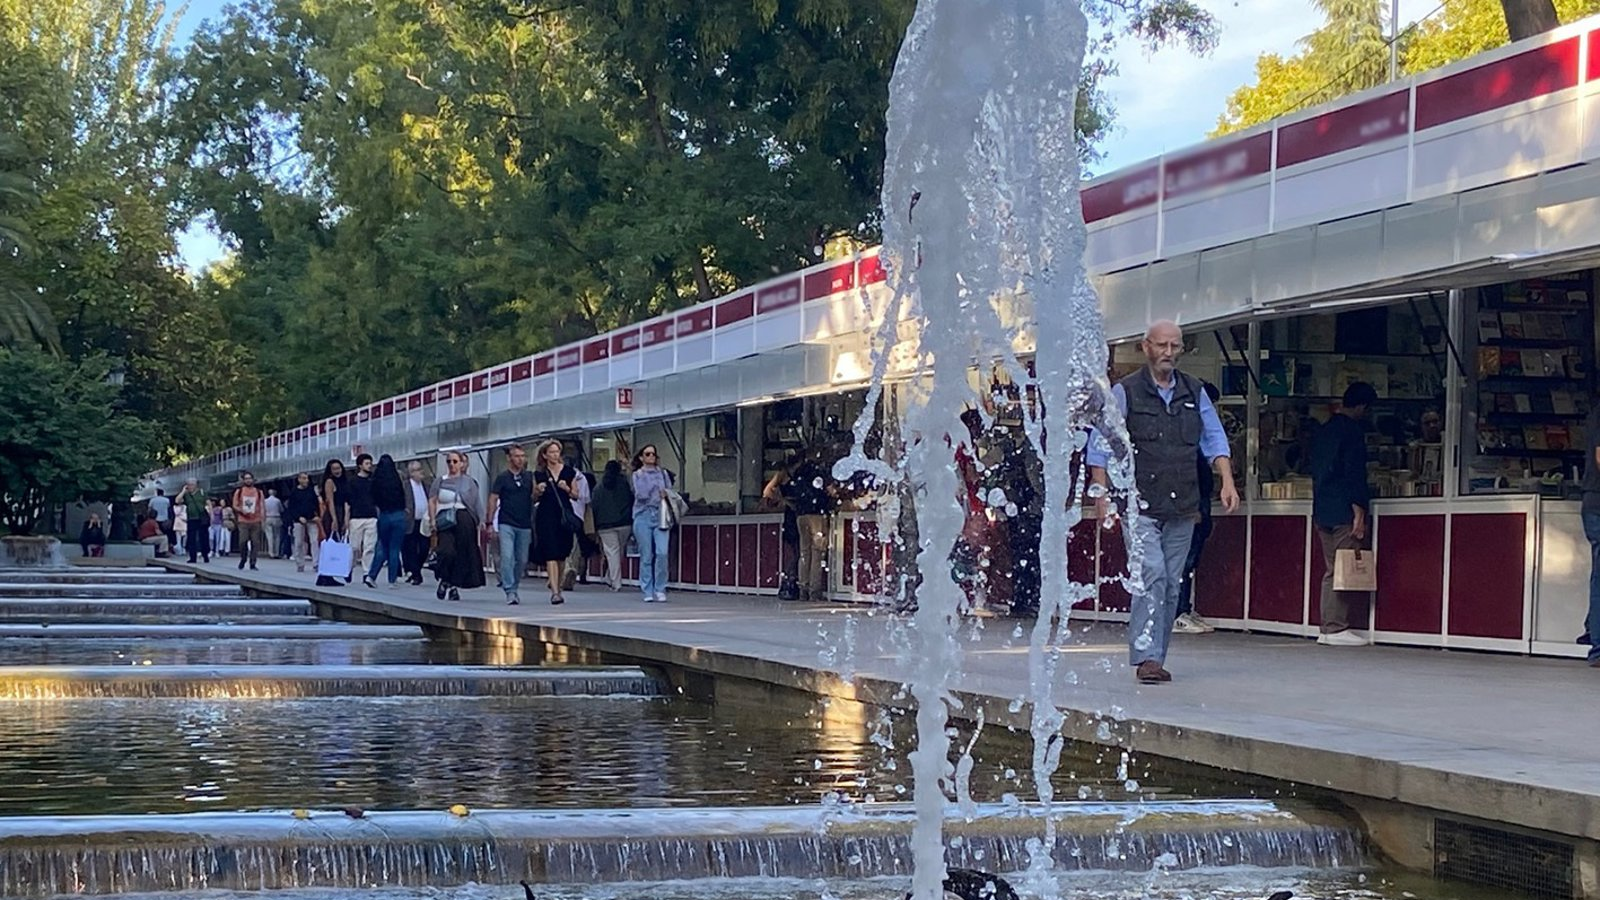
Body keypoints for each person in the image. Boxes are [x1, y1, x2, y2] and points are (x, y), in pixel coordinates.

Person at [1088, 320, 1239, 685]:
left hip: (1183, 503)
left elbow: (1214, 438)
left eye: (1174, 346)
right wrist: (1101, 492)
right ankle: (1146, 657)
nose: (1168, 353)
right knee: (1152, 575)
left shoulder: (1195, 391)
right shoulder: (1125, 391)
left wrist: (1227, 481)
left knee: (1172, 582)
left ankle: (1157, 655)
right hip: (1140, 503)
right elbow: (1100, 442)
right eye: (1161, 346)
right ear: (1146, 347)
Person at [1310, 381, 1377, 647]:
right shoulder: (1352, 433)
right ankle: (1336, 627)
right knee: (1344, 566)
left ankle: (1327, 626)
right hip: (1343, 509)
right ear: (1362, 406)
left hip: (1322, 507)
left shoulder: (1324, 430)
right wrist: (1359, 510)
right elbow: (1353, 473)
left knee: (1331, 569)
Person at [1174, 381, 1223, 635]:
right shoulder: (1188, 440)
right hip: (1191, 504)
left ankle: (1183, 608)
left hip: (1198, 501)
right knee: (1185, 558)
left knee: (1190, 560)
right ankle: (1178, 611)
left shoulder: (1198, 439)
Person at [429, 450, 486, 602]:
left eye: (455, 461)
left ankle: (453, 585)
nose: (452, 465)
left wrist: (481, 520)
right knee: (447, 551)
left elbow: (476, 502)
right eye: (449, 462)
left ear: (462, 463)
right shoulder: (440, 481)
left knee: (462, 553)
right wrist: (432, 520)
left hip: (464, 518)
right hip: (446, 518)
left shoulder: (469, 482)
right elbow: (433, 500)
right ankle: (444, 578)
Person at [531, 439, 581, 605]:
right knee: (551, 552)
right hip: (546, 515)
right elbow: (533, 497)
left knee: (562, 553)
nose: (554, 455)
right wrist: (538, 491)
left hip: (563, 515)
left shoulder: (568, 472)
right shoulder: (539, 474)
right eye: (551, 452)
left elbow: (576, 495)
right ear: (544, 455)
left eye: (556, 452)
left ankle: (558, 585)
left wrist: (566, 488)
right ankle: (555, 592)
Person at [485, 445, 536, 605]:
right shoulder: (502, 478)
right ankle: (510, 590)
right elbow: (493, 499)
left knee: (522, 559)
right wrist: (489, 522)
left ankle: (514, 585)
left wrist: (538, 492)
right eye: (517, 456)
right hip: (506, 521)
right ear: (509, 458)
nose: (521, 459)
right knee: (507, 556)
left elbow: (533, 497)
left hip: (524, 523)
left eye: (523, 456)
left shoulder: (529, 477)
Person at [789, 450, 838, 603]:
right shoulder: (820, 471)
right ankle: (814, 591)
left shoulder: (798, 472)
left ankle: (803, 588)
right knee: (817, 552)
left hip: (801, 515)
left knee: (805, 553)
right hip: (816, 514)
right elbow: (831, 491)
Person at [631, 444, 675, 603]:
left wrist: (665, 494)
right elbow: (641, 494)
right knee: (646, 554)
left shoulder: (663, 474)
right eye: (647, 454)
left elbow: (670, 492)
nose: (651, 457)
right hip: (643, 515)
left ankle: (660, 587)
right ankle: (647, 588)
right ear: (641, 457)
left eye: (653, 454)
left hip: (660, 514)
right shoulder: (637, 475)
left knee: (662, 552)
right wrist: (655, 489)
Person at [363, 454, 409, 588]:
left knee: (383, 546)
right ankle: (392, 580)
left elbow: (373, 499)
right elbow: (403, 495)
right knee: (395, 548)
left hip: (384, 515)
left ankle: (371, 576)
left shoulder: (376, 481)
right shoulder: (397, 479)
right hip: (399, 515)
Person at [762, 456, 804, 600]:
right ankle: (789, 581)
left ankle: (791, 581)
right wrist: (782, 500)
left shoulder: (796, 476)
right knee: (796, 553)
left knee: (798, 553)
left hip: (794, 515)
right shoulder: (783, 475)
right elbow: (767, 492)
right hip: (791, 516)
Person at [591, 460, 634, 591]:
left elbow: (594, 506)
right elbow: (632, 499)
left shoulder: (598, 487)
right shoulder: (625, 483)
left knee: (612, 552)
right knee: (619, 551)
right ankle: (610, 577)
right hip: (624, 523)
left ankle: (615, 582)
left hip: (605, 525)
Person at [562, 467, 595, 590]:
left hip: (560, 515)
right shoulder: (583, 478)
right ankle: (571, 569)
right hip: (578, 516)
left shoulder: (556, 474)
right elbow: (586, 499)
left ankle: (563, 572)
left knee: (560, 546)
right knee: (575, 547)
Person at [403, 460, 433, 585]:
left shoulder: (427, 485)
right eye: (418, 470)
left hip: (424, 521)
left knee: (424, 547)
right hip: (411, 521)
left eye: (421, 469)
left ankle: (416, 570)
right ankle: (416, 574)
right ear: (411, 473)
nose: (421, 472)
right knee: (411, 548)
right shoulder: (405, 486)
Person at [232, 471, 267, 571]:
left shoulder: (259, 492)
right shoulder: (239, 492)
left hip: (256, 520)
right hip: (243, 520)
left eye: (250, 478)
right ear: (243, 480)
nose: (248, 480)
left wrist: (263, 518)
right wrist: (242, 511)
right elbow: (235, 505)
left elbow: (262, 506)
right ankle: (243, 558)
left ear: (253, 480)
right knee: (242, 541)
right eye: (246, 479)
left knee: (255, 542)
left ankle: (253, 562)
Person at [287, 472, 321, 573]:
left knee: (314, 541)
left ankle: (316, 564)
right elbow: (291, 508)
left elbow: (316, 504)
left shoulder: (311, 491)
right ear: (299, 479)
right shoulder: (294, 492)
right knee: (299, 542)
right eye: (303, 478)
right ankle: (300, 563)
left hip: (311, 519)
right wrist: (298, 517)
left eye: (307, 478)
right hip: (298, 520)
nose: (306, 480)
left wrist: (316, 515)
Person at [176, 477, 210, 564]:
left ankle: (205, 554)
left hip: (202, 518)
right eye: (188, 485)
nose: (190, 486)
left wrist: (211, 515)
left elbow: (208, 503)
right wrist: (183, 491)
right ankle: (192, 557)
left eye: (191, 484)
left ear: (196, 485)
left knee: (203, 538)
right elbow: (177, 500)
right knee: (191, 538)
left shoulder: (202, 492)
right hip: (191, 518)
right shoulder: (186, 494)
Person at [264, 489, 283, 559]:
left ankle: (271, 552)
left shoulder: (265, 501)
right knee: (277, 536)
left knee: (269, 536)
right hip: (276, 517)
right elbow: (281, 509)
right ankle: (276, 553)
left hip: (268, 517)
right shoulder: (277, 501)